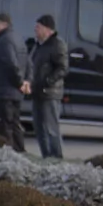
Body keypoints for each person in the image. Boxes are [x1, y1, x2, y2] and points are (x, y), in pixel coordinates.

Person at [20, 13, 66, 158]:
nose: (35, 30)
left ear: (48, 29)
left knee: (51, 128)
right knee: (39, 129)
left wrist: (48, 81)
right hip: (37, 93)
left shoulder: (57, 45)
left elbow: (62, 68)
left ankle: (56, 157)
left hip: (50, 93)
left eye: (38, 27)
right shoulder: (37, 46)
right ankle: (46, 156)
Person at [0, 11, 27, 149]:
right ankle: (21, 153)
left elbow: (11, 64)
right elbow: (28, 63)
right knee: (15, 126)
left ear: (4, 24)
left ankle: (8, 156)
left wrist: (19, 82)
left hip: (5, 92)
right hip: (14, 93)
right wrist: (25, 82)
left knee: (4, 129)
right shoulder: (18, 39)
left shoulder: (4, 41)